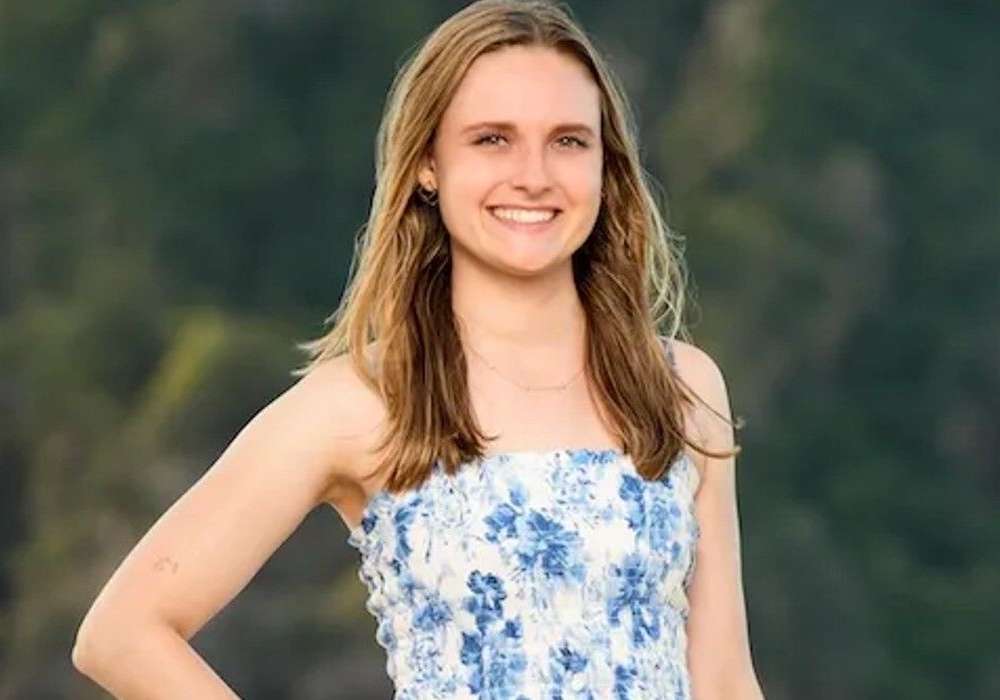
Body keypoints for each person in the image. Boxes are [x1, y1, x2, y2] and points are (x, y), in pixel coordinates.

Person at [72, 0, 762, 697]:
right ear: (429, 165)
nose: (533, 174)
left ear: (605, 168)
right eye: (493, 139)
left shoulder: (680, 386)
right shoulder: (362, 402)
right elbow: (123, 633)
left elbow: (727, 681)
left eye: (568, 141)